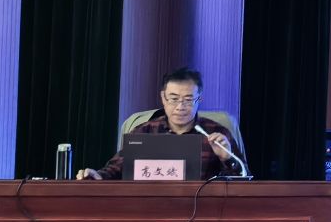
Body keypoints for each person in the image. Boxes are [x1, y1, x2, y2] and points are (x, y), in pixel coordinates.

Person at [77, 66, 246, 180]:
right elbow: (116, 168)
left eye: (188, 99)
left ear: (199, 100)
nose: (180, 107)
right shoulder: (144, 132)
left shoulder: (217, 133)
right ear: (163, 98)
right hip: (150, 210)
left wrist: (227, 158)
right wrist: (97, 176)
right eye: (174, 99)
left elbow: (244, 180)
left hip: (201, 213)